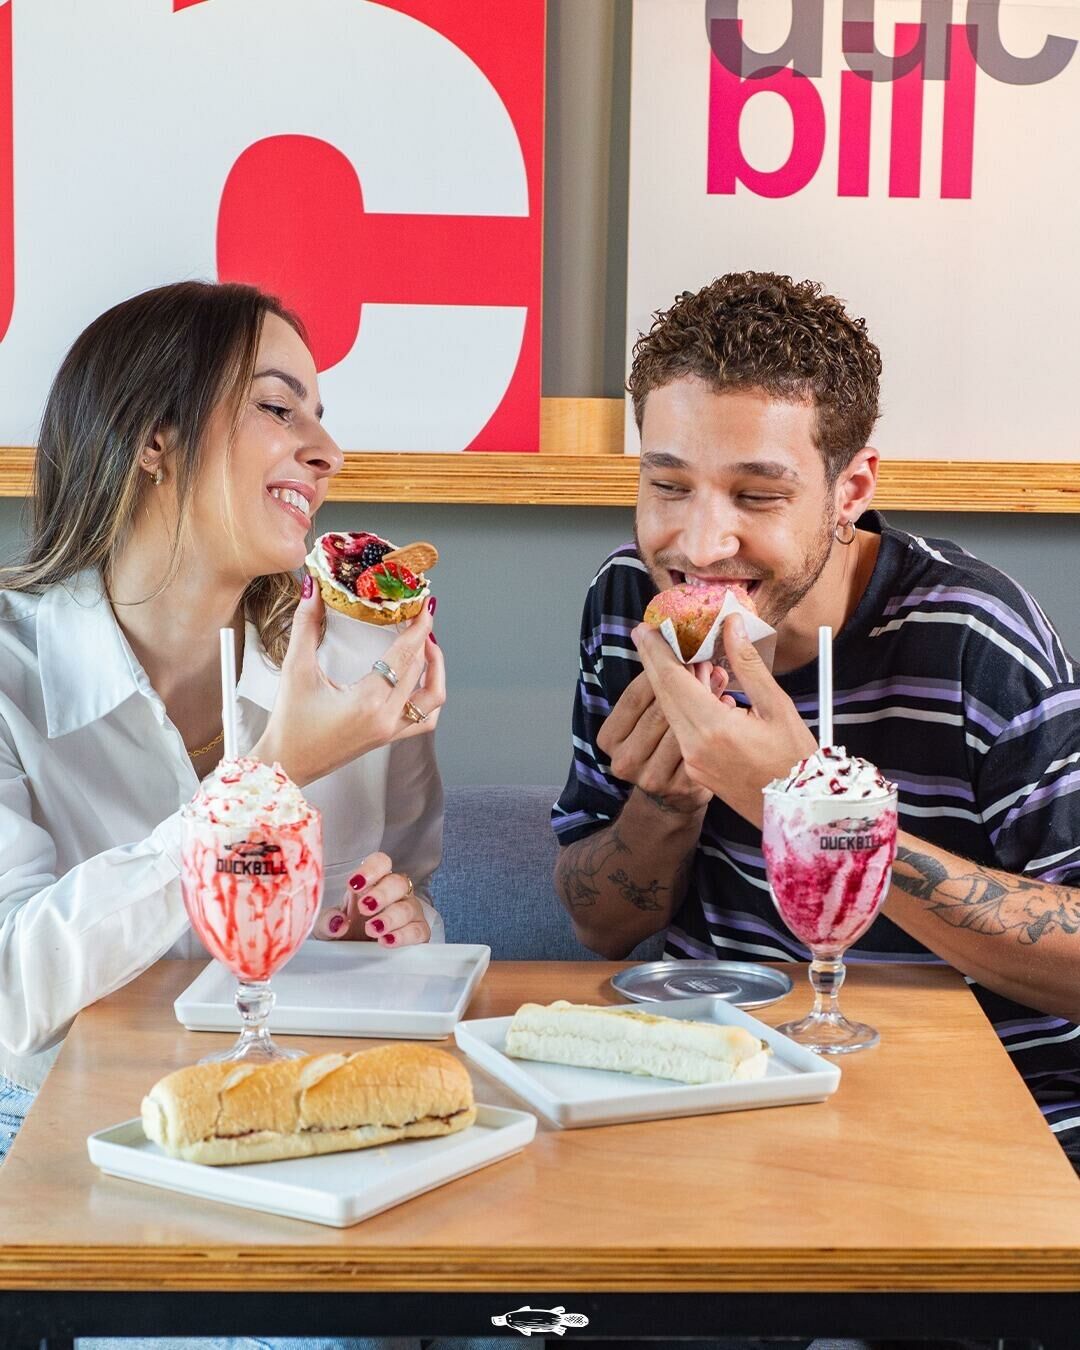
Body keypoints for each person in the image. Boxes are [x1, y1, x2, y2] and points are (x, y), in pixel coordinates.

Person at [0, 280, 449, 1349]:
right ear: (154, 436)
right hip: (54, 1136)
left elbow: (409, 904)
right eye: (279, 407)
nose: (325, 447)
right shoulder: (10, 675)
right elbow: (15, 991)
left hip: (289, 1140)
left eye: (320, 414)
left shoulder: (358, 664)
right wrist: (272, 775)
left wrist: (399, 938)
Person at [552, 270, 1080, 1171]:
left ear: (850, 488)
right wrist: (668, 808)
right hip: (719, 1089)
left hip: (972, 1112)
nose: (699, 543)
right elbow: (601, 926)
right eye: (668, 485)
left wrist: (813, 813)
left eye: (757, 496)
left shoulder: (972, 636)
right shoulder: (631, 603)